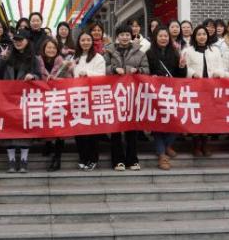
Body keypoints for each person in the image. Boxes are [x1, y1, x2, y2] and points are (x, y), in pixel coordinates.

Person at [0, 29, 40, 173]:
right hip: (7, 98)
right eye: (16, 40)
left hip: (25, 99)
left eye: (21, 39)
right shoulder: (8, 55)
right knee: (9, 129)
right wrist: (2, 58)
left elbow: (39, 76)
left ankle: (24, 160)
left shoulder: (33, 58)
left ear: (27, 41)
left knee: (24, 129)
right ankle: (12, 160)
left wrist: (33, 76)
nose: (18, 42)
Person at [104, 24, 149, 171]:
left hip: (132, 95)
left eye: (127, 35)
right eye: (122, 34)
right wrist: (113, 69)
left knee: (131, 128)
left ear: (131, 36)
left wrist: (136, 70)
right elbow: (103, 68)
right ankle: (117, 160)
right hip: (114, 94)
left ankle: (132, 160)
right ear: (117, 36)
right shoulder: (109, 51)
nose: (124, 37)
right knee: (115, 128)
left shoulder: (140, 53)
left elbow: (147, 70)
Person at [146, 26, 186, 170]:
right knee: (158, 123)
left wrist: (182, 66)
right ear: (155, 38)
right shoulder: (149, 53)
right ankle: (162, 154)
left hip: (172, 92)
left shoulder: (175, 53)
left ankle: (167, 144)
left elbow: (181, 76)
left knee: (176, 120)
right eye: (161, 36)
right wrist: (151, 77)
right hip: (155, 93)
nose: (163, 38)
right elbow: (145, 71)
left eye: (166, 36)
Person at [182, 25, 226, 157]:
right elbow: (184, 68)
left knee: (207, 116)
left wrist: (218, 73)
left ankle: (205, 144)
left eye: (204, 34)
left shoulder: (215, 50)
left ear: (208, 36)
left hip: (210, 88)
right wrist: (192, 73)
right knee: (196, 116)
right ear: (195, 36)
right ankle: (196, 145)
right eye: (199, 34)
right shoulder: (188, 51)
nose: (202, 37)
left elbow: (221, 67)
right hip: (195, 88)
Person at [35, 38, 73, 172]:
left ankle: (57, 158)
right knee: (46, 123)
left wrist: (57, 80)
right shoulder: (37, 62)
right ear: (44, 49)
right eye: (48, 48)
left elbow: (70, 79)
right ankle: (47, 143)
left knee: (59, 129)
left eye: (53, 48)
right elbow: (34, 76)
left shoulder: (63, 63)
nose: (51, 50)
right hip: (42, 98)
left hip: (58, 99)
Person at [73, 31, 106, 170]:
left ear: (92, 42)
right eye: (83, 40)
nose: (85, 42)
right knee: (79, 128)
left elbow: (102, 76)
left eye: (88, 40)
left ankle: (93, 158)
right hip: (77, 98)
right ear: (78, 42)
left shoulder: (98, 58)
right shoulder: (74, 58)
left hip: (93, 97)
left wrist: (87, 74)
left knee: (92, 130)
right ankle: (83, 157)